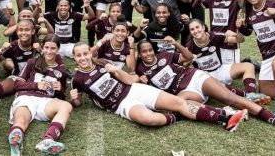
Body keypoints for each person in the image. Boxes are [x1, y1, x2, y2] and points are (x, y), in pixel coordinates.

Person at [70, 43, 248, 132]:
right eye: (79, 56)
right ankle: (179, 116)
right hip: (121, 105)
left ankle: (224, 118)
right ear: (74, 57)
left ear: (90, 53)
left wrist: (116, 71)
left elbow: (131, 80)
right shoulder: (77, 79)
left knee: (178, 102)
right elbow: (78, 103)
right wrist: (75, 99)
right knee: (149, 120)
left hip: (134, 89)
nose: (83, 57)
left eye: (85, 53)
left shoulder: (102, 63)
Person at [135, 40, 275, 135]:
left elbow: (189, 57)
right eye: (144, 52)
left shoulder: (165, 55)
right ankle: (227, 114)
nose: (149, 53)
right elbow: (133, 77)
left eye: (150, 50)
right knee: (180, 104)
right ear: (140, 54)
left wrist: (176, 43)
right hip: (184, 92)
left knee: (230, 97)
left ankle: (274, 120)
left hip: (194, 77)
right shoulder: (140, 69)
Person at [7, 35, 72, 156]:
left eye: (53, 48)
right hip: (26, 97)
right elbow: (17, 85)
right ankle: (15, 145)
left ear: (58, 49)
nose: (49, 51)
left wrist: (60, 90)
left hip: (46, 102)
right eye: (46, 47)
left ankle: (48, 140)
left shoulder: (61, 71)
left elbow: (61, 97)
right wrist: (36, 85)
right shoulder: (32, 62)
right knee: (21, 121)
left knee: (66, 106)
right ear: (42, 47)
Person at [186, 19, 270, 104]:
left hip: (221, 70)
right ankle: (246, 96)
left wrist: (236, 35)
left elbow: (241, 40)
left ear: (203, 27)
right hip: (206, 76)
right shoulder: (190, 45)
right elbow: (184, 64)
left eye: (197, 27)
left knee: (249, 66)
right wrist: (190, 60)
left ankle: (251, 94)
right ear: (190, 32)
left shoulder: (214, 36)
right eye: (192, 29)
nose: (196, 31)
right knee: (219, 87)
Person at [192, 0, 245, 64]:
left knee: (232, 69)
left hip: (229, 39)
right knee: (217, 66)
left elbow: (245, 3)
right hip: (215, 38)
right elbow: (195, 5)